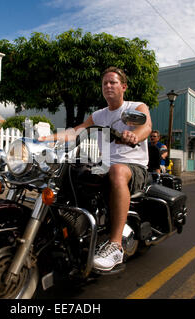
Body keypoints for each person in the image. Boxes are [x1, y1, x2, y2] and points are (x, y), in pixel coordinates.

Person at [38, 67, 152, 271]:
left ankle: (115, 246)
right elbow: (76, 131)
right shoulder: (98, 115)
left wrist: (135, 135)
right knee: (71, 172)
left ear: (123, 87)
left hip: (133, 167)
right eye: (105, 83)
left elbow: (146, 127)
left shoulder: (136, 107)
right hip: (106, 166)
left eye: (113, 82)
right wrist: (47, 139)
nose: (108, 86)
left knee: (117, 170)